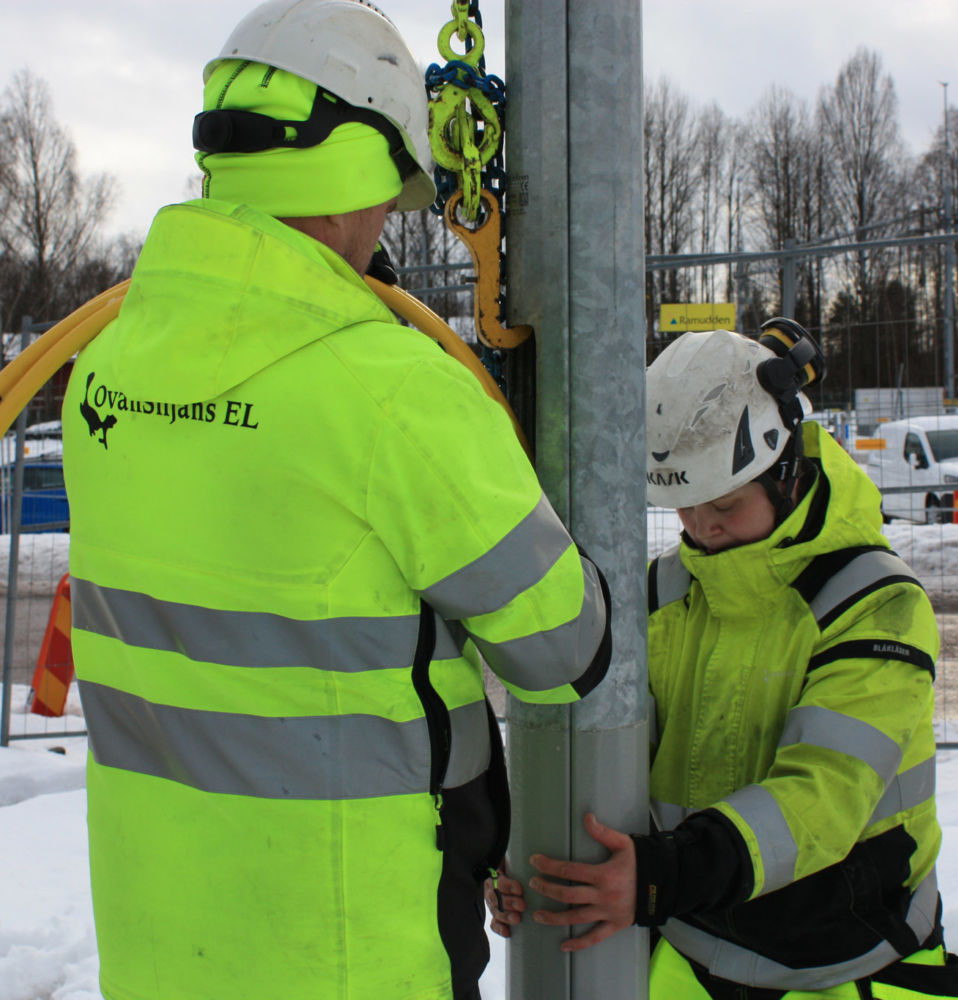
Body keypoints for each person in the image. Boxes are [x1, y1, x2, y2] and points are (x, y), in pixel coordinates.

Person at [61, 3, 611, 998]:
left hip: (160, 944)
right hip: (356, 946)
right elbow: (563, 648)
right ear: (349, 171)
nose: (379, 229)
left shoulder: (106, 369)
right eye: (385, 199)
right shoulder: (390, 390)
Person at [488, 320, 958, 1000]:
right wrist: (521, 860)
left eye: (724, 505)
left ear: (787, 470)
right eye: (683, 509)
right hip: (691, 946)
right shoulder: (664, 592)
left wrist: (662, 876)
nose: (701, 529)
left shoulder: (874, 603)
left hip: (848, 960)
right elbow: (595, 751)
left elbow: (822, 796)